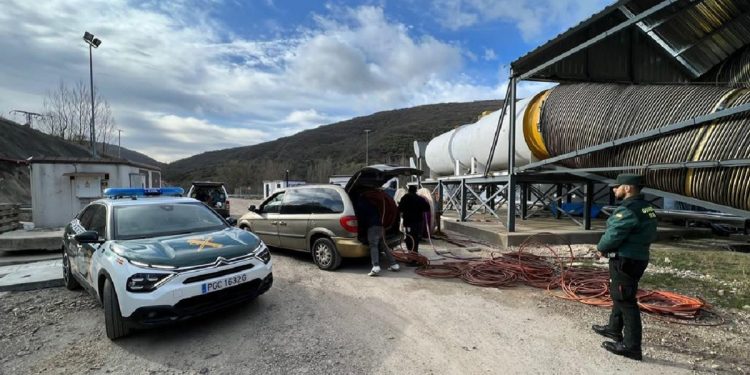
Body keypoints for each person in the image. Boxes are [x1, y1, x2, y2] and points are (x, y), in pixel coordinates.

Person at [592, 173, 657, 361]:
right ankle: (613, 329)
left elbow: (613, 234)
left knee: (625, 299)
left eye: (618, 186)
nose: (615, 189)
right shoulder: (646, 207)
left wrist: (601, 249)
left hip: (625, 259)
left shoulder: (627, 210)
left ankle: (632, 346)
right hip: (638, 257)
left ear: (627, 188)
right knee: (620, 293)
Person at [355, 191, 400, 276]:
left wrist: (361, 229)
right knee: (384, 246)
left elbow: (362, 219)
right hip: (381, 227)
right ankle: (394, 264)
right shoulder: (373, 204)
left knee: (373, 246)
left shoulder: (360, 204)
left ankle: (375, 266)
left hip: (373, 227)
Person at [398, 185, 430, 255]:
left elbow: (400, 209)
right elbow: (427, 208)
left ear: (409, 190)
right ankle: (415, 252)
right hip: (418, 222)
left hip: (409, 222)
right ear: (416, 191)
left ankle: (411, 253)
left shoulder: (405, 198)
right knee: (416, 238)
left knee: (409, 238)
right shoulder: (420, 198)